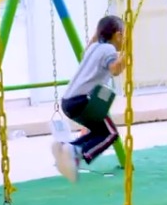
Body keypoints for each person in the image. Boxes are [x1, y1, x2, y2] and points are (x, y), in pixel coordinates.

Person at [51, 15, 126, 182]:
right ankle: (75, 152)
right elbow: (114, 70)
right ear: (118, 35)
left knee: (99, 131)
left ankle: (67, 148)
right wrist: (127, 55)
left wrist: (96, 35)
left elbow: (85, 50)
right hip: (83, 101)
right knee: (110, 133)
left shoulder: (93, 48)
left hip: (68, 102)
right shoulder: (109, 50)